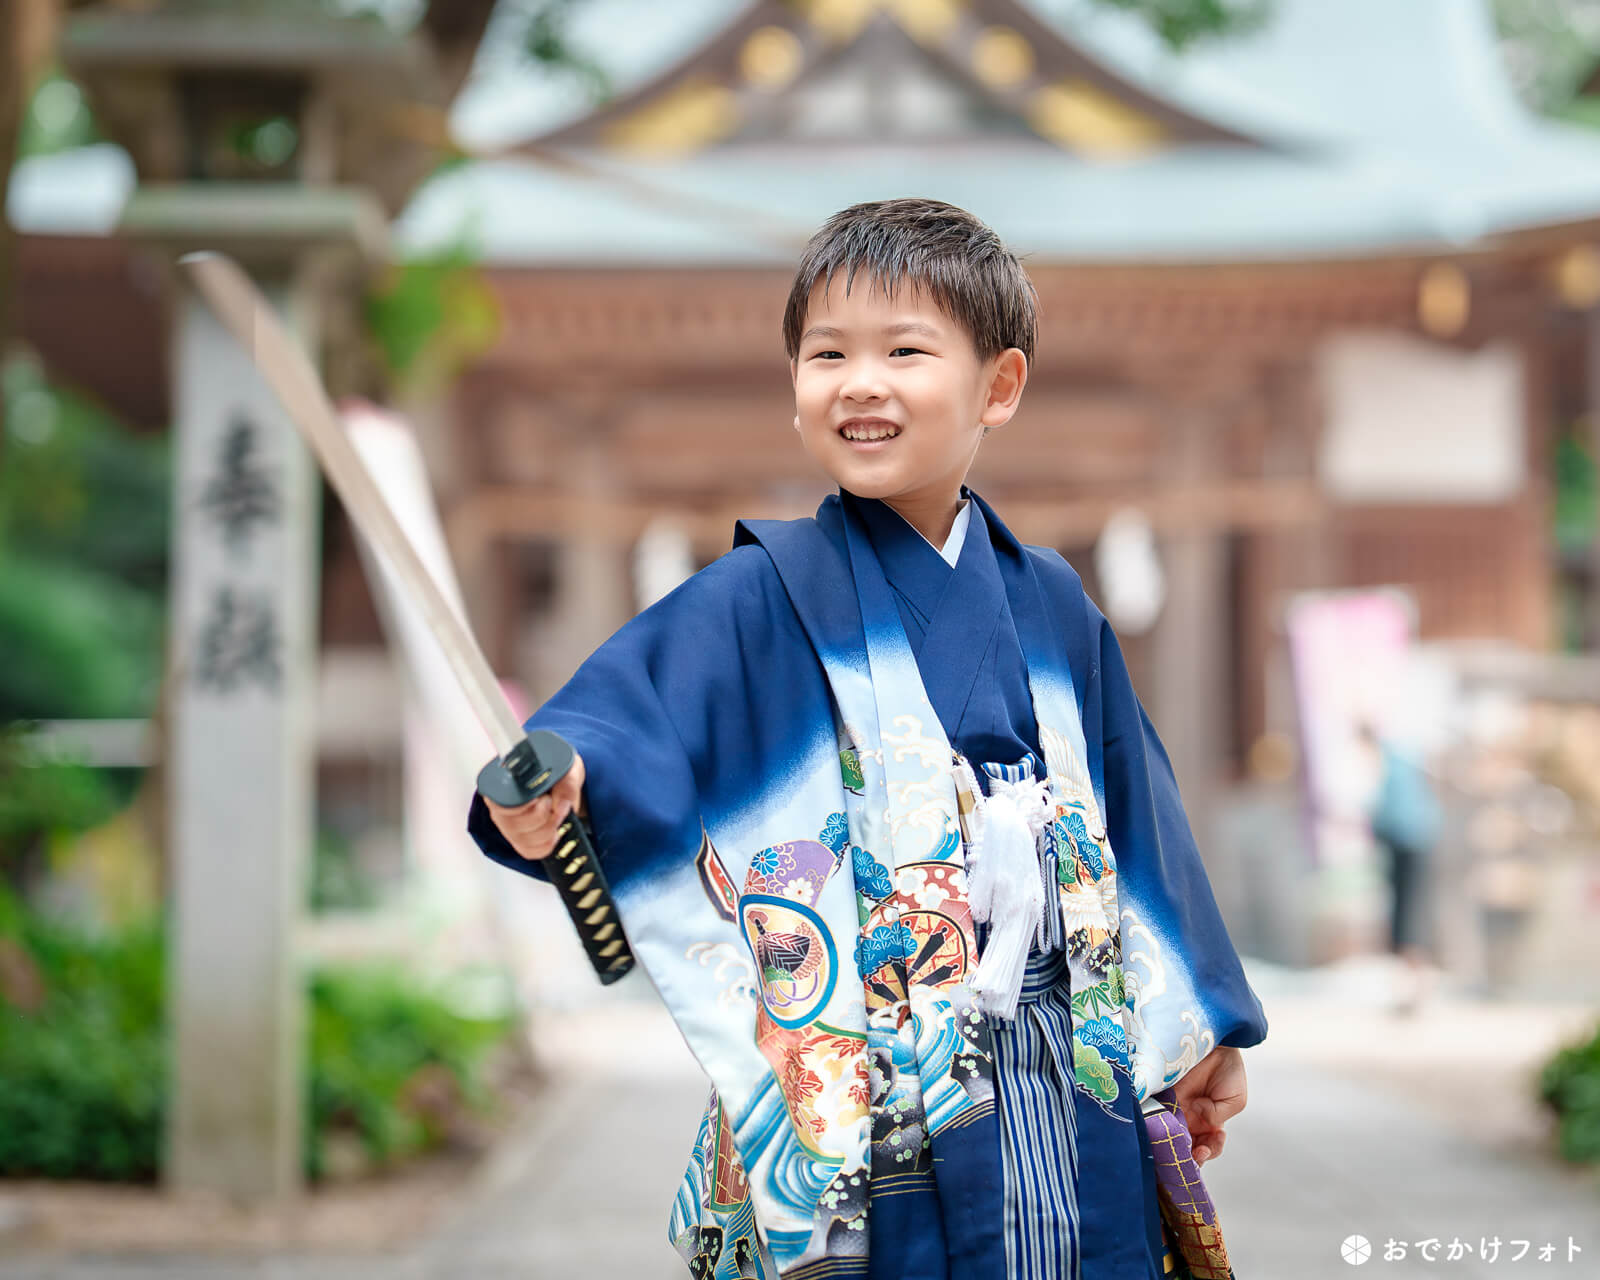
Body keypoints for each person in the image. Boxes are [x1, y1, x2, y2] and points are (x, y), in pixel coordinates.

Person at [469, 198, 1268, 1280]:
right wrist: (553, 781)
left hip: (1060, 1047)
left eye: (904, 350)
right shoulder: (758, 595)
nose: (858, 382)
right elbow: (614, 723)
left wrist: (1201, 1016)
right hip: (867, 1062)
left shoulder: (1053, 602)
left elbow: (1138, 812)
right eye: (825, 353)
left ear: (999, 384)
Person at [1357, 720, 1442, 1017]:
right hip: (1415, 842)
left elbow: (1387, 815)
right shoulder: (1403, 762)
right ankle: (1413, 988)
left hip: (1405, 846)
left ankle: (1414, 989)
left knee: (1406, 919)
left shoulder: (1393, 767)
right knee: (1411, 916)